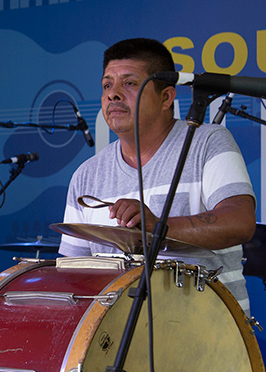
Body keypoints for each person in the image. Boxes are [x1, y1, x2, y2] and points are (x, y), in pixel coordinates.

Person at [59, 37, 256, 314]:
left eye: (129, 83)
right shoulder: (87, 175)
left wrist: (159, 228)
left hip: (213, 337)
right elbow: (74, 273)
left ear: (166, 97)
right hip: (121, 338)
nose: (113, 94)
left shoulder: (208, 142)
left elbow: (240, 222)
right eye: (107, 85)